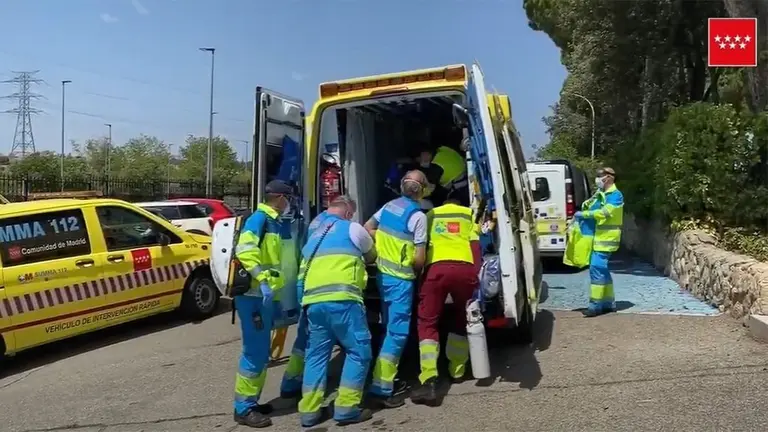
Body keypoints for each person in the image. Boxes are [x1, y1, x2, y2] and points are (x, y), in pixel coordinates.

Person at [298, 196, 378, 427]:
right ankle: (346, 408)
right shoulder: (352, 228)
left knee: (316, 356)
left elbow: (302, 275)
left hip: (313, 303)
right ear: (348, 213)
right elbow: (371, 255)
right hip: (343, 300)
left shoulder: (313, 238)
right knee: (358, 351)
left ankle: (309, 412)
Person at [363, 170, 428, 408]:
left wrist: (382, 242)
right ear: (422, 190)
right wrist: (417, 273)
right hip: (402, 279)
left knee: (389, 326)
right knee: (397, 334)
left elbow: (366, 228)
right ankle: (381, 386)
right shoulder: (419, 216)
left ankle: (383, 377)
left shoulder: (388, 207)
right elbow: (419, 258)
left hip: (383, 277)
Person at [232, 179, 294, 428]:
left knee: (260, 353)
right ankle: (243, 408)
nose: (290, 202)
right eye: (288, 197)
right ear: (279, 198)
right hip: (254, 297)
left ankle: (252, 401)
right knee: (254, 353)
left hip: (264, 298)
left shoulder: (275, 222)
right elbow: (245, 250)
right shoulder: (260, 220)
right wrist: (263, 279)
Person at [410, 199, 482, 407]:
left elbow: (421, 244)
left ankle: (429, 376)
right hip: (464, 269)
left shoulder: (430, 215)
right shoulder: (468, 214)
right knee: (462, 316)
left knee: (427, 322)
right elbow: (475, 247)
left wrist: (419, 275)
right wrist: (475, 276)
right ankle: (457, 370)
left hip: (436, 270)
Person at [278, 209, 331, 400]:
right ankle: (309, 396)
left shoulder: (317, 221)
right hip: (321, 287)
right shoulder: (340, 226)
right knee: (317, 342)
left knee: (304, 336)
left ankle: (291, 382)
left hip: (306, 283)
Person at [574, 167, 624, 317]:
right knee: (602, 270)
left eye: (599, 176)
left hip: (607, 239)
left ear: (608, 178)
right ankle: (609, 303)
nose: (597, 179)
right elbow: (588, 204)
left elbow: (604, 213)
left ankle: (595, 306)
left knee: (596, 268)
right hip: (599, 238)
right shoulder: (601, 194)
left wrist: (584, 214)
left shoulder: (615, 195)